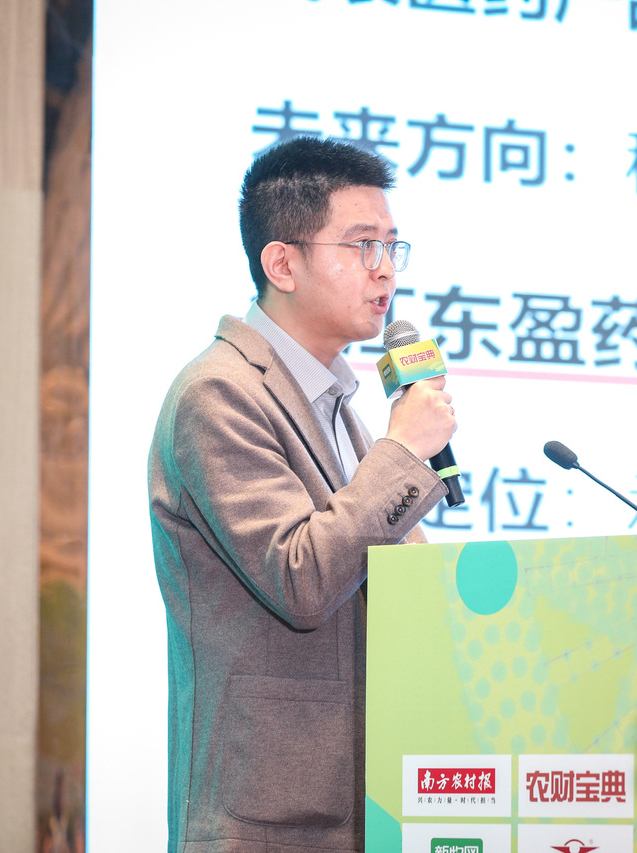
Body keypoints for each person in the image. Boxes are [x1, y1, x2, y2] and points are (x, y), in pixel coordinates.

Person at [148, 136, 457, 852]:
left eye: (392, 246)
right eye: (362, 245)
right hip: (268, 818)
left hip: (363, 805)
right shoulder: (218, 394)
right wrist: (404, 453)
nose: (385, 269)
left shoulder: (334, 404)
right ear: (282, 263)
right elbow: (301, 577)